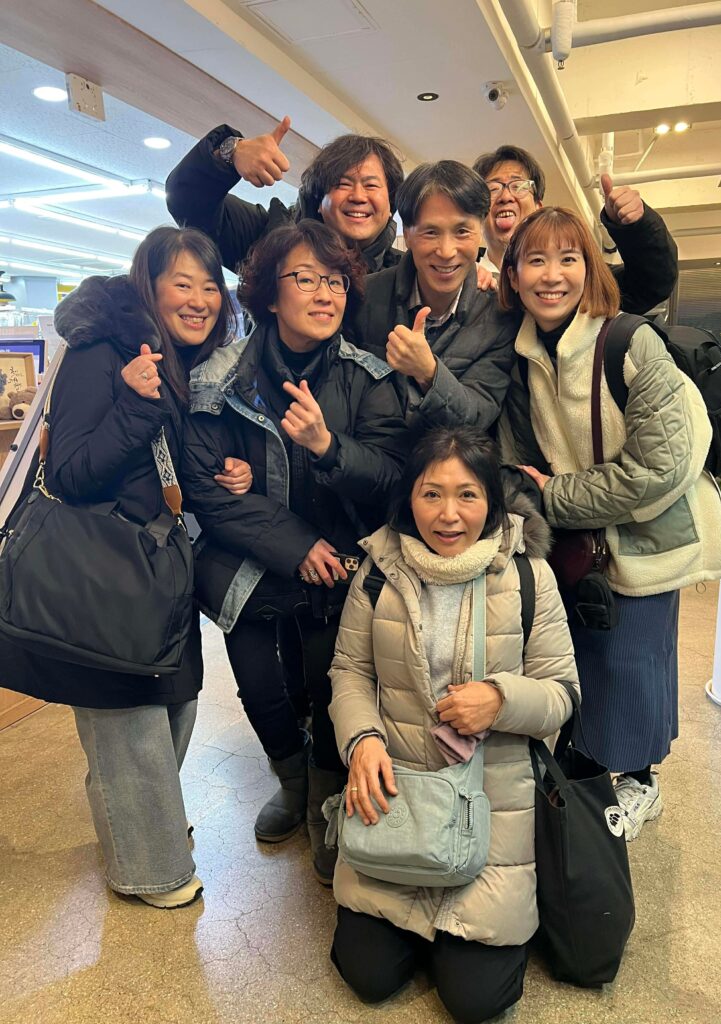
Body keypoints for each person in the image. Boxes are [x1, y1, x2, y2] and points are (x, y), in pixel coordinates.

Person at [0, 226, 252, 908]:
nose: (198, 300)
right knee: (128, 725)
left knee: (172, 707)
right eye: (182, 283)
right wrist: (137, 404)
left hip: (156, 570)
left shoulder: (176, 360)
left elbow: (163, 466)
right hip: (103, 571)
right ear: (149, 285)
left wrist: (229, 472)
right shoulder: (100, 350)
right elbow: (72, 472)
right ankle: (150, 868)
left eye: (210, 287)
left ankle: (145, 828)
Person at [181, 220, 407, 884]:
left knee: (331, 686)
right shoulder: (219, 377)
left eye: (335, 281)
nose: (323, 293)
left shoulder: (367, 378)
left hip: (339, 570)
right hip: (249, 567)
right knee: (261, 688)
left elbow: (393, 479)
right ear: (269, 294)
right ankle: (291, 780)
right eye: (305, 278)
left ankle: (328, 799)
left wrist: (328, 448)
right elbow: (204, 486)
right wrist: (294, 542)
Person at [496, 206, 721, 839]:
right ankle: (593, 767)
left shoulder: (630, 341)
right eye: (535, 260)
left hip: (650, 535)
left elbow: (659, 466)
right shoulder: (522, 351)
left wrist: (556, 497)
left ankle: (640, 782)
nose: (552, 275)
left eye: (568, 259)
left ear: (590, 268)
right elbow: (517, 455)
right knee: (587, 659)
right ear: (513, 275)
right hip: (583, 544)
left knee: (634, 662)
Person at [327, 427, 578, 1023]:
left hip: (492, 810)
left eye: (467, 495)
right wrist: (361, 740)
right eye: (431, 493)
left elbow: (562, 693)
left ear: (491, 500)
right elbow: (349, 671)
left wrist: (500, 699)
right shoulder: (379, 570)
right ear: (409, 498)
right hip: (398, 801)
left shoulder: (526, 575)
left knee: (475, 1001)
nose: (448, 514)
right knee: (367, 976)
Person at [352, 160, 519, 432]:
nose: (446, 251)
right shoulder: (365, 296)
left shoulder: (499, 317)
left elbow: (479, 414)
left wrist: (429, 372)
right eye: (431, 232)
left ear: (479, 232)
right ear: (407, 234)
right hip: (368, 455)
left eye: (462, 231)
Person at [166, 119, 404, 274]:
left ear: (391, 202)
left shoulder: (409, 274)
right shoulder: (268, 237)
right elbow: (186, 200)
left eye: (371, 185)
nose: (358, 196)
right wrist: (230, 152)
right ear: (319, 200)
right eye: (343, 184)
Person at [472, 144, 678, 313]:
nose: (506, 197)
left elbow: (651, 284)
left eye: (518, 186)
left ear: (538, 208)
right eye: (493, 189)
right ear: (478, 213)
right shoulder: (462, 278)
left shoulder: (577, 276)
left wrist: (637, 227)